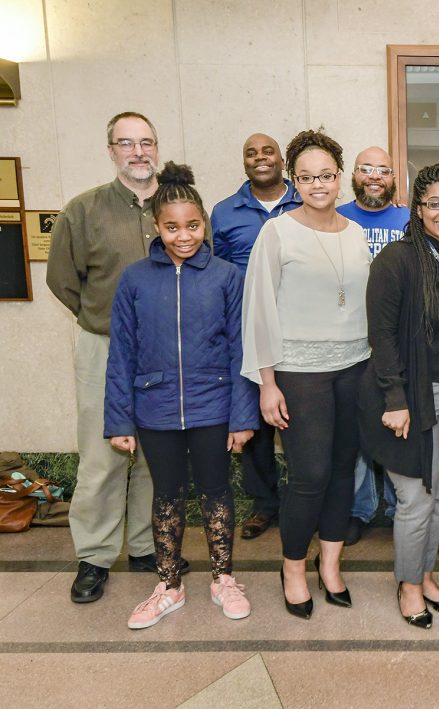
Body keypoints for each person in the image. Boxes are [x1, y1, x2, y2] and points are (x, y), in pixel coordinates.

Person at [47, 111, 197, 604]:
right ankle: (93, 556)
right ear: (111, 151)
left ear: (157, 147)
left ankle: (144, 546)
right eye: (126, 143)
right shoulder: (83, 210)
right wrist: (101, 320)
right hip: (104, 346)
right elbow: (63, 282)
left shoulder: (182, 206)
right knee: (102, 454)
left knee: (156, 452)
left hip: (167, 349)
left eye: (146, 142)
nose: (138, 152)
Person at [105, 163, 259, 628]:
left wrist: (242, 415)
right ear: (157, 227)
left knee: (216, 492)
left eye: (192, 226)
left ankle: (223, 579)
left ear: (204, 225)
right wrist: (119, 421)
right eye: (172, 227)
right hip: (154, 408)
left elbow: (240, 350)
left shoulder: (226, 276)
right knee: (166, 496)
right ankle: (168, 585)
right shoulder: (134, 279)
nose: (183, 236)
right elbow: (121, 353)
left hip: (214, 405)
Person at [242, 130, 371, 620]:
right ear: (294, 180)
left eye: (326, 175)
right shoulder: (277, 232)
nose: (318, 184)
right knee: (310, 476)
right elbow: (258, 310)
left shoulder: (356, 233)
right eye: (307, 176)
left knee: (344, 472)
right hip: (300, 373)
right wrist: (267, 382)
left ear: (340, 178)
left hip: (354, 367)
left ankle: (331, 564)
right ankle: (293, 567)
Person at [359, 163, 439, 630]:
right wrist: (395, 400)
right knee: (414, 498)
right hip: (407, 395)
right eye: (434, 203)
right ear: (418, 208)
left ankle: (426, 576)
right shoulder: (396, 260)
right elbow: (381, 337)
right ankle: (407, 586)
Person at [211, 133, 302, 540]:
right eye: (252, 152)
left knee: (302, 421)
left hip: (300, 330)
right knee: (255, 424)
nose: (261, 158)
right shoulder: (224, 212)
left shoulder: (306, 202)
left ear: (281, 159)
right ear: (244, 162)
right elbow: (215, 271)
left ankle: (305, 500)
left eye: (268, 151)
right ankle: (264, 504)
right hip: (248, 331)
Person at [338, 146, 410, 546]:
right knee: (359, 431)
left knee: (399, 423)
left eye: (383, 169)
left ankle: (400, 506)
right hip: (349, 341)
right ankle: (360, 509)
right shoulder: (338, 219)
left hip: (396, 342)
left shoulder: (408, 219)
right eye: (367, 168)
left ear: (394, 178)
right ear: (354, 174)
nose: (375, 176)